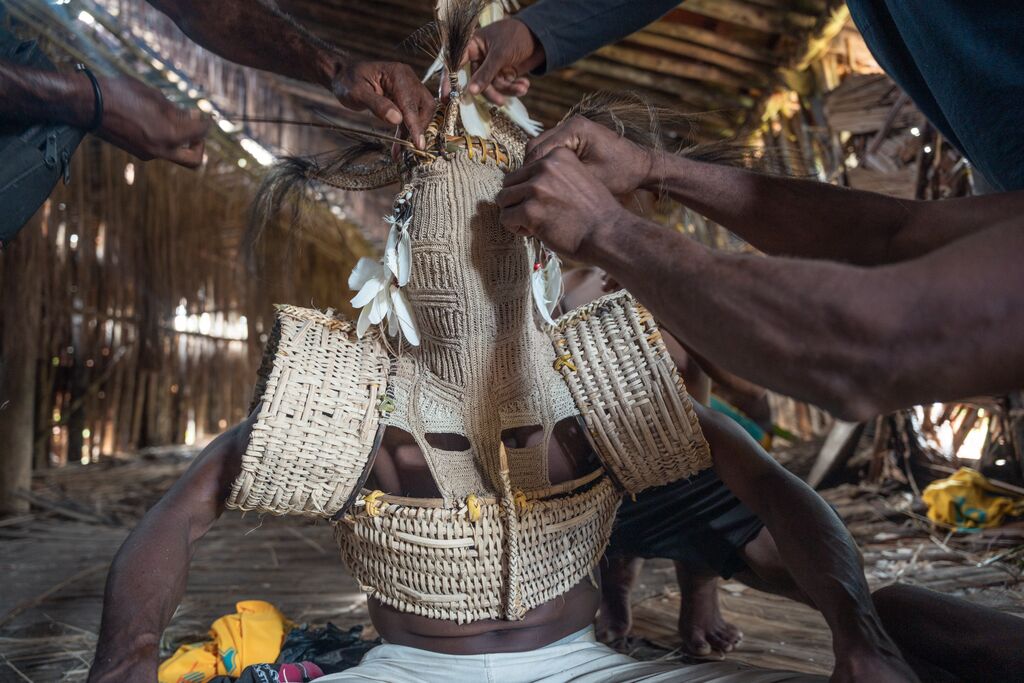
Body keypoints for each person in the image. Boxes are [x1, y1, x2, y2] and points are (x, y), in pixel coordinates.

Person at [88, 73, 911, 682]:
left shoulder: (599, 383)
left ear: (534, 260)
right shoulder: (348, 394)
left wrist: (860, 634)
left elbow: (773, 489)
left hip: (585, 663)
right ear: (408, 265)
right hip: (405, 670)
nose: (468, 280)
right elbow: (182, 510)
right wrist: (123, 663)